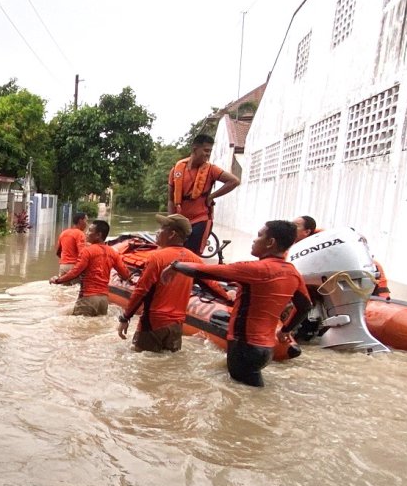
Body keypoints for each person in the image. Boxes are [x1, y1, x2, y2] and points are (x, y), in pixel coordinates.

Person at [162, 220, 312, 387]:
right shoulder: (293, 273)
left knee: (239, 394)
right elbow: (305, 306)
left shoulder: (254, 269)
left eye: (260, 236)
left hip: (244, 347)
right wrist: (285, 330)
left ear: (271, 243)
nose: (255, 240)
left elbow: (202, 271)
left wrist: (175, 266)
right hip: (267, 349)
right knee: (247, 389)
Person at [116, 214, 230, 352]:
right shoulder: (194, 259)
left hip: (153, 323)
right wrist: (230, 300)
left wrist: (125, 317)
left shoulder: (157, 258)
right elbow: (212, 286)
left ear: (172, 234)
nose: (158, 232)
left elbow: (141, 291)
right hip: (176, 326)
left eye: (162, 228)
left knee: (142, 364)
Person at [168, 134, 241, 256]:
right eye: (206, 150)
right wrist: (170, 221)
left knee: (192, 255)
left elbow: (234, 181)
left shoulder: (211, 169)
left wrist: (212, 196)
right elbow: (170, 199)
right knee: (175, 253)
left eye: (210, 151)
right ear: (195, 149)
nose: (208, 154)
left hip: (200, 219)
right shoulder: (176, 169)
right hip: (180, 220)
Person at [294, 215, 391, 298]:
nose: (291, 228)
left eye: (295, 226)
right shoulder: (295, 248)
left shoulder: (322, 246)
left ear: (307, 231)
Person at [50, 219, 130, 316]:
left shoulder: (87, 251)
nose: (86, 233)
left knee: (77, 329)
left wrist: (58, 280)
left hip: (88, 298)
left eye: (90, 230)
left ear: (99, 235)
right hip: (104, 300)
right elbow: (126, 275)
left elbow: (75, 272)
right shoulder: (113, 253)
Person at [54, 212, 88, 280]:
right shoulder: (80, 234)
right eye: (86, 220)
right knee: (77, 289)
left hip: (63, 266)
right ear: (80, 221)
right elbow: (82, 254)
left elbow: (58, 252)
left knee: (63, 289)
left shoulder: (63, 233)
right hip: (75, 267)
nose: (87, 224)